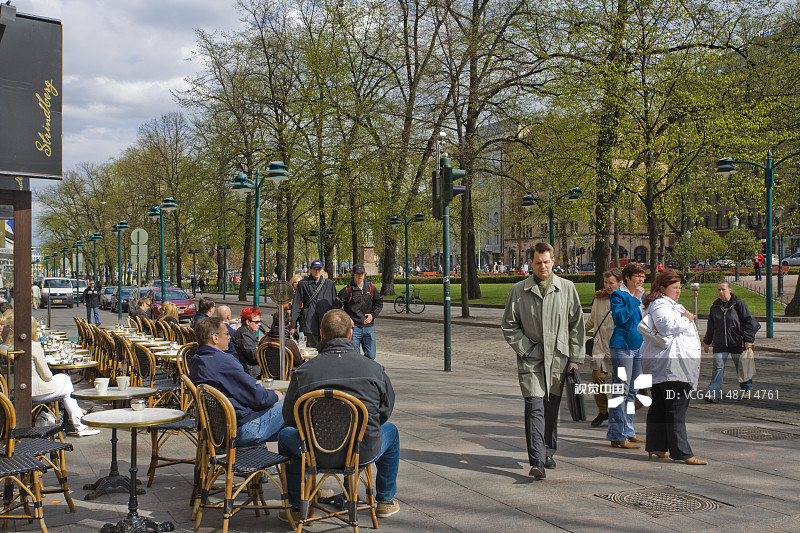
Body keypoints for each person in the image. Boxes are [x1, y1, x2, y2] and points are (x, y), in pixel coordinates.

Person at [277, 309, 399, 523]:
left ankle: (297, 506)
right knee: (392, 432)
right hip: (361, 450)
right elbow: (385, 412)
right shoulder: (374, 369)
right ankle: (385, 501)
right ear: (351, 334)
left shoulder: (304, 373)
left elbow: (289, 417)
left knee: (285, 435)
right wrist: (362, 429)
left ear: (321, 335)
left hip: (314, 451)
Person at [501, 242, 585, 479]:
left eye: (546, 261)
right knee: (534, 407)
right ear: (530, 263)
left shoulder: (567, 288)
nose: (542, 266)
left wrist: (575, 357)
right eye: (538, 262)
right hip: (532, 360)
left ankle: (548, 451)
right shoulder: (519, 290)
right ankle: (537, 460)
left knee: (551, 409)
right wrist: (525, 348)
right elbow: (509, 324)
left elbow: (576, 325)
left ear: (553, 261)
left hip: (558, 359)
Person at [640, 270, 706, 465]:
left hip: (667, 365)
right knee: (676, 409)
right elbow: (666, 326)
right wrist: (687, 318)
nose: (678, 291)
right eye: (674, 288)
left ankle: (657, 446)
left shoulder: (661, 303)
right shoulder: (661, 304)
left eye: (679, 288)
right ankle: (682, 452)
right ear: (663, 288)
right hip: (673, 366)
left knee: (660, 406)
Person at [189, 317, 284, 447]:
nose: (229, 337)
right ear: (215, 338)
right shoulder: (223, 362)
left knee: (289, 431)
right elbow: (256, 397)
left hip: (215, 432)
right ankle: (306, 459)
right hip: (240, 430)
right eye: (227, 333)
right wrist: (275, 395)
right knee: (292, 404)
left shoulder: (196, 360)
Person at [30, 318, 100, 437]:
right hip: (35, 392)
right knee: (66, 380)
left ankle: (77, 419)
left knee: (65, 381)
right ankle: (79, 423)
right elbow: (47, 376)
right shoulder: (34, 346)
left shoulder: (7, 345)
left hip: (20, 391)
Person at [607, 262, 647, 449]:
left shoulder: (641, 295)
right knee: (621, 391)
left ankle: (628, 430)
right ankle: (617, 434)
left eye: (643, 276)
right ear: (628, 278)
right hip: (622, 347)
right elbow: (620, 318)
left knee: (632, 391)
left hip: (638, 346)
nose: (641, 279)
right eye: (638, 276)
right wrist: (635, 299)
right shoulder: (618, 295)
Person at [702, 281, 760, 402]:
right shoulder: (714, 307)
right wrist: (707, 341)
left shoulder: (739, 305)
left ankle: (746, 389)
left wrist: (749, 339)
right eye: (719, 290)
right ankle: (713, 393)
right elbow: (711, 326)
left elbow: (749, 322)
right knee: (717, 367)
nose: (721, 292)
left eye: (723, 289)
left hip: (737, 343)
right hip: (719, 344)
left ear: (730, 290)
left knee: (741, 367)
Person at [584, 269, 621, 427]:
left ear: (620, 283)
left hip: (617, 346)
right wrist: (575, 332)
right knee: (597, 377)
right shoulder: (599, 299)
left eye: (611, 283)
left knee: (618, 382)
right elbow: (592, 320)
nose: (607, 286)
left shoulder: (624, 299)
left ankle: (616, 413)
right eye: (606, 282)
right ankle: (603, 411)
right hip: (600, 346)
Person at [335, 264, 383, 359]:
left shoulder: (370, 288)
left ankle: (366, 372)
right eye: (357, 274)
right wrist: (347, 319)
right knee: (354, 357)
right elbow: (336, 307)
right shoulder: (347, 290)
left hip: (368, 327)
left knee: (371, 355)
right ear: (353, 275)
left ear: (365, 274)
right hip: (354, 328)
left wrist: (372, 315)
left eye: (362, 274)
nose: (360, 276)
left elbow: (379, 302)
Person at [290, 259, 336, 349]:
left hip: (326, 323)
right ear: (310, 270)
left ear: (322, 270)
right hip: (309, 323)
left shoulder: (329, 284)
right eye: (315, 269)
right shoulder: (303, 284)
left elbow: (335, 305)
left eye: (319, 269)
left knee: (327, 350)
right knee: (312, 351)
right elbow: (297, 305)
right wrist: (293, 325)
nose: (317, 271)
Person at [231, 307, 262, 378]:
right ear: (248, 322)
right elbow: (253, 355)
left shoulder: (246, 332)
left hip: (250, 370)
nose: (259, 324)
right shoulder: (244, 334)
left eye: (259, 321)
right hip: (250, 372)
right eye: (257, 322)